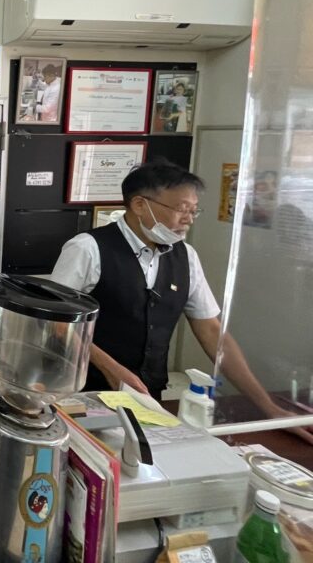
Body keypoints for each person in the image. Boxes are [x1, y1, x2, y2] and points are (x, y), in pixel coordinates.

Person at [50, 159, 313, 445]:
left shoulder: (186, 256)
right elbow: (57, 322)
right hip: (84, 391)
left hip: (148, 396)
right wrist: (111, 368)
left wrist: (268, 407)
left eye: (193, 210)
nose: (188, 219)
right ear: (140, 205)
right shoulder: (87, 248)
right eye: (181, 209)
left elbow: (212, 332)